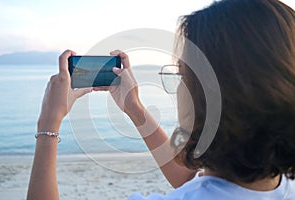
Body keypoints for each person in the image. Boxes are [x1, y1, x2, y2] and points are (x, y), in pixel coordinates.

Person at [27, 0, 295, 199]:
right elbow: (191, 180)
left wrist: (48, 124)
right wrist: (135, 109)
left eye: (181, 75)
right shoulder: (277, 183)